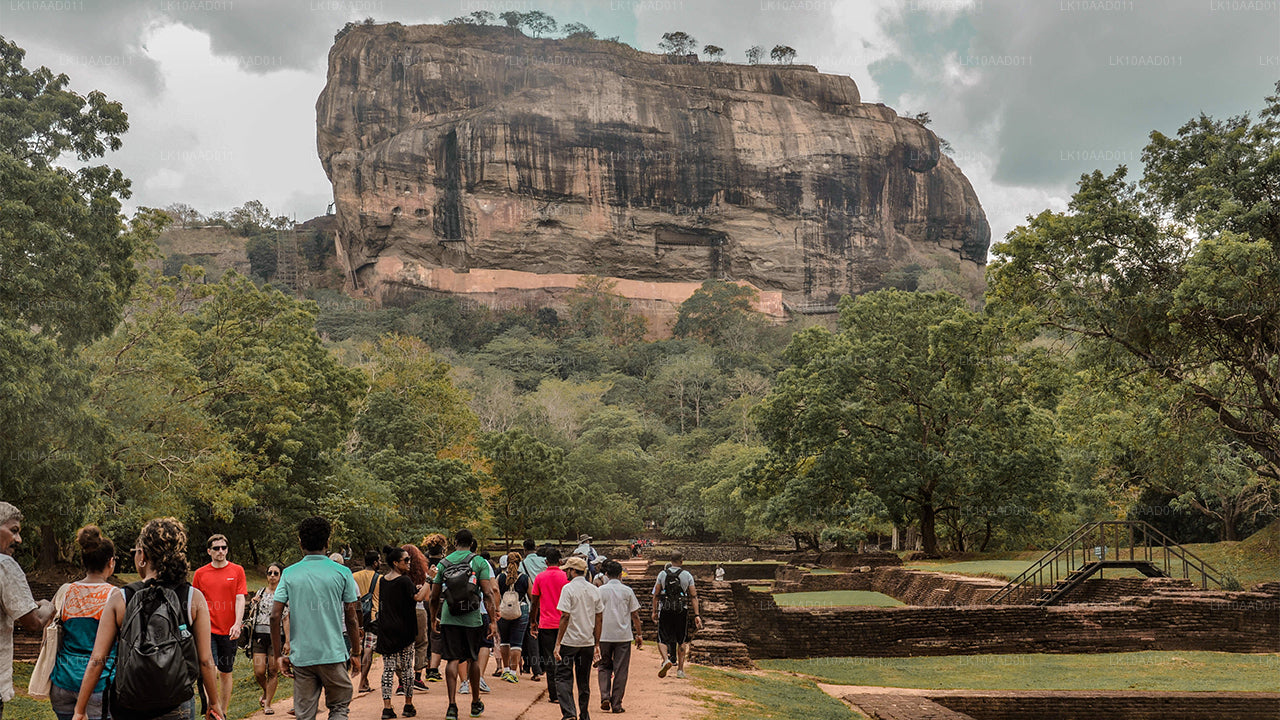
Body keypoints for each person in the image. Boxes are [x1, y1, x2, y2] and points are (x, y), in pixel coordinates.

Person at [73, 517, 221, 720]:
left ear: (142, 555)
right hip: (178, 703)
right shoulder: (192, 597)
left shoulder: (120, 598)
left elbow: (98, 659)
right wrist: (214, 703)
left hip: (131, 705)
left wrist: (80, 710)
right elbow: (206, 661)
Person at [271, 517, 361, 720]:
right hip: (334, 655)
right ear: (327, 543)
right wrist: (355, 652)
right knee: (339, 708)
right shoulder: (343, 572)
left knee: (304, 715)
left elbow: (275, 615)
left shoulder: (290, 573)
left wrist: (278, 655)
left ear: (300, 542)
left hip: (302, 658)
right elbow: (351, 617)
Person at [428, 529, 498, 720]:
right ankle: (475, 703)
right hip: (473, 619)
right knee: (473, 659)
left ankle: (452, 706)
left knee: (452, 660)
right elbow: (488, 593)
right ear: (471, 543)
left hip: (449, 617)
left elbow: (434, 596)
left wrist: (434, 617)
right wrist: (492, 621)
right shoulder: (479, 562)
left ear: (455, 542)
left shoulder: (443, 563)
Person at [50, 526, 118, 720]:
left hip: (62, 682)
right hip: (99, 685)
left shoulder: (65, 591)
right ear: (110, 562)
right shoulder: (115, 596)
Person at [191, 534, 247, 719]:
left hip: (230, 629)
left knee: (225, 672)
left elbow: (240, 598)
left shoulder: (237, 570)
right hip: (207, 630)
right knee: (210, 669)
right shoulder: (200, 574)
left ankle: (223, 711)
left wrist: (238, 623)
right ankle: (212, 710)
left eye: (223, 547)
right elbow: (194, 602)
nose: (220, 551)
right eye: (216, 548)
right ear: (209, 551)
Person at [377, 547, 430, 719]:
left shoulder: (383, 581)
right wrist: (430, 580)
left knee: (388, 669)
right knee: (407, 668)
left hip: (387, 629)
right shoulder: (405, 581)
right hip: (405, 629)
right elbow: (418, 598)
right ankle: (408, 704)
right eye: (405, 560)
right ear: (395, 563)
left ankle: (387, 707)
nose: (409, 563)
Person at [552, 556, 602, 720]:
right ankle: (584, 713)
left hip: (569, 641)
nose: (566, 573)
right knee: (584, 679)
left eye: (567, 570)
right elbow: (599, 617)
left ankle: (569, 713)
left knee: (562, 677)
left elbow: (565, 616)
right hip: (587, 641)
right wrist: (597, 643)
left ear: (573, 571)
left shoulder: (568, 589)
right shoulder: (594, 589)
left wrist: (558, 642)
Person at [596, 560, 642, 714]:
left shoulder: (600, 591)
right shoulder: (627, 591)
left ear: (606, 574)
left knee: (604, 666)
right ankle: (617, 703)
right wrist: (639, 634)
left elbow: (595, 615)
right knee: (621, 670)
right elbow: (635, 615)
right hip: (623, 636)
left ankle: (604, 695)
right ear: (621, 574)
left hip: (603, 635)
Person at [651, 552, 701, 680]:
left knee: (662, 638)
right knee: (682, 640)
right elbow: (693, 596)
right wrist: (696, 614)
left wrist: (655, 611)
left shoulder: (662, 574)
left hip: (666, 609)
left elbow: (656, 594)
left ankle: (666, 659)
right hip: (681, 610)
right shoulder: (687, 575)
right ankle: (680, 670)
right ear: (681, 561)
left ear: (670, 560)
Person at [528, 546, 567, 704]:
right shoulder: (566, 577)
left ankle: (554, 694)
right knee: (564, 658)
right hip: (564, 624)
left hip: (546, 624)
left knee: (550, 658)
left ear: (545, 562)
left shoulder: (540, 578)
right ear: (560, 561)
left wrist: (532, 622)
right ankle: (564, 691)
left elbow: (534, 602)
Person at [248, 563, 287, 715]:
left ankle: (268, 703)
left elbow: (286, 618)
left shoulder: (283, 595)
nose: (272, 575)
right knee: (259, 672)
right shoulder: (260, 592)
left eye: (275, 573)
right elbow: (252, 616)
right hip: (259, 636)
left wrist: (288, 641)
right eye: (269, 572)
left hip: (276, 637)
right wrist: (253, 604)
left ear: (280, 576)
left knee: (272, 671)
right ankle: (266, 691)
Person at [494, 551, 529, 684]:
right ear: (519, 563)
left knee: (504, 641)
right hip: (521, 609)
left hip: (503, 610)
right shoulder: (524, 578)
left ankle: (506, 669)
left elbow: (495, 592)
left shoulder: (500, 577)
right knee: (517, 642)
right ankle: (513, 673)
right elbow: (531, 595)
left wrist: (496, 609)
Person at [401, 544, 431, 695]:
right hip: (418, 610)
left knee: (403, 645)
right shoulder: (423, 575)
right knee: (421, 644)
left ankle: (402, 681)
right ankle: (417, 677)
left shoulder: (398, 574)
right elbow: (426, 597)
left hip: (401, 613)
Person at [352, 550, 381, 694]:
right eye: (379, 560)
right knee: (369, 648)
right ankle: (363, 681)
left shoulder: (354, 576)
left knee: (360, 646)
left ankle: (362, 679)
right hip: (373, 616)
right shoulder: (379, 578)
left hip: (356, 616)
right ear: (375, 562)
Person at [421, 534, 447, 684]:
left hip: (424, 600)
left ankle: (424, 666)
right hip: (440, 601)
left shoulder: (422, 564)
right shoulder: (445, 564)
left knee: (425, 635)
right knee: (437, 633)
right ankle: (433, 669)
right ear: (442, 549)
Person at [516, 541, 545, 678]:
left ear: (524, 549)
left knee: (530, 636)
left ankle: (533, 667)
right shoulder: (544, 562)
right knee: (544, 634)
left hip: (530, 603)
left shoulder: (522, 564)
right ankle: (544, 665)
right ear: (536, 548)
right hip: (546, 603)